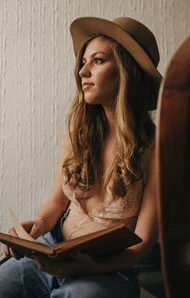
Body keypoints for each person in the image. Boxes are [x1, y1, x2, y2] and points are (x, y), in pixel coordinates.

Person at [0, 16, 162, 298]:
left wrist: (92, 269)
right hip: (53, 252)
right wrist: (37, 227)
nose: (82, 71)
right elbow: (56, 202)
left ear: (126, 71)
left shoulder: (155, 146)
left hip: (110, 269)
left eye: (97, 60)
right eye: (83, 62)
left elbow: (144, 242)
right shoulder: (79, 133)